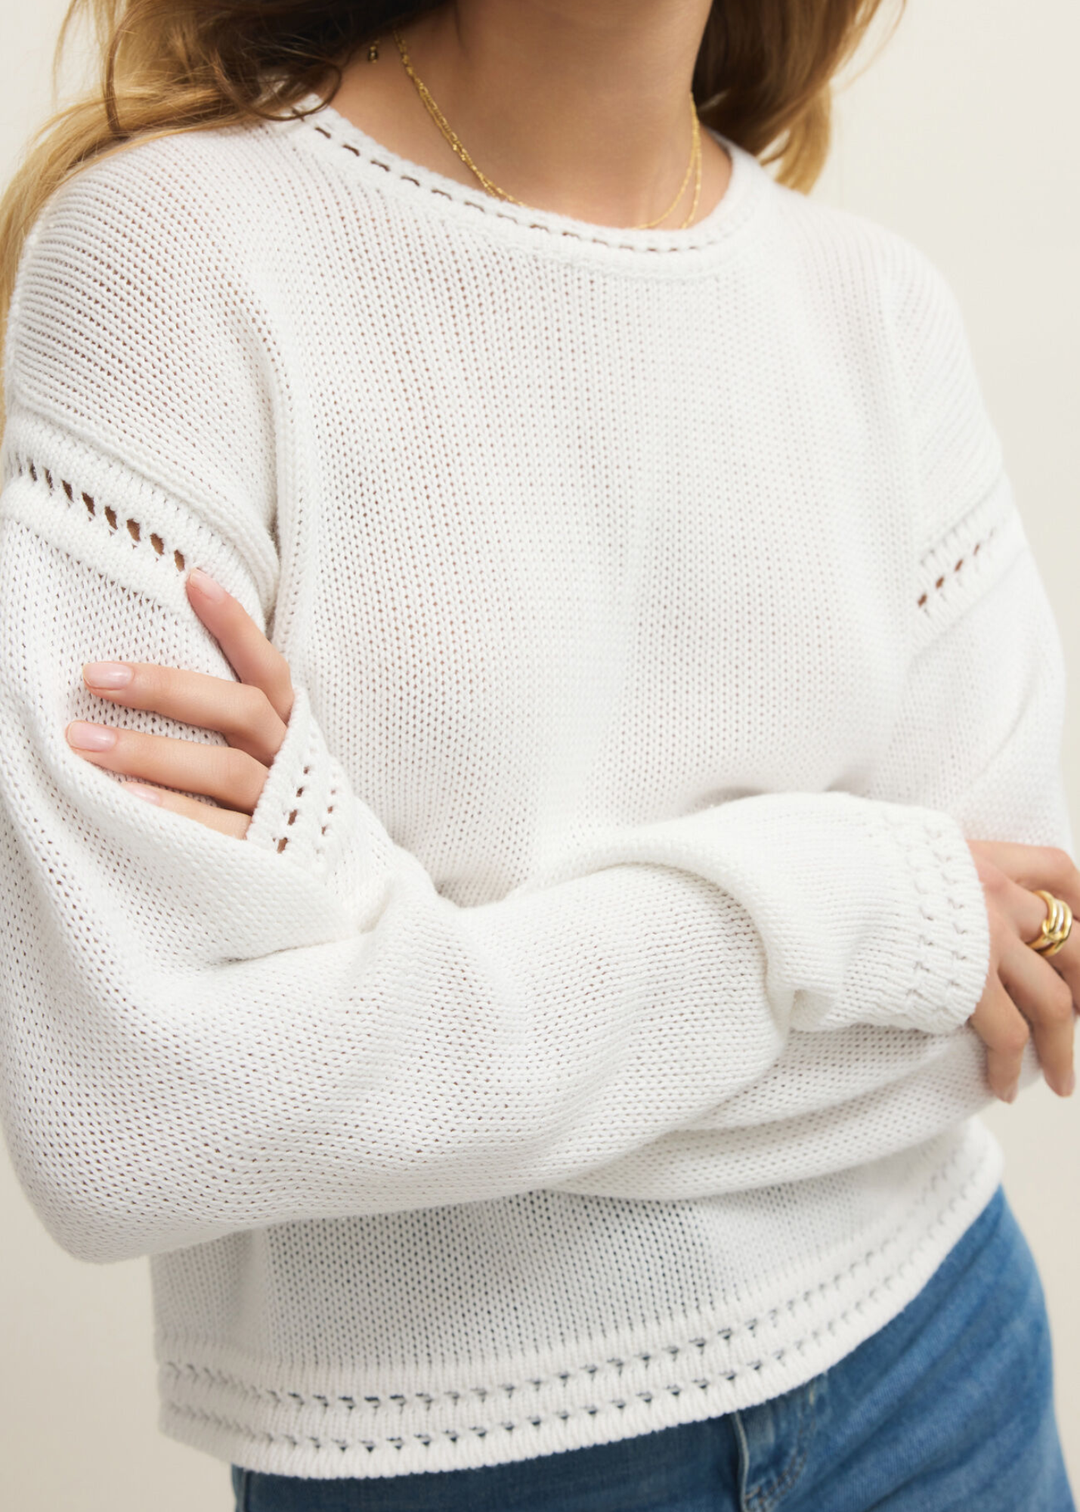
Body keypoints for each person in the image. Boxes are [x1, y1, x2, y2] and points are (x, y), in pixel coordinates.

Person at [0, 1, 1075, 1508]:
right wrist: (870, 911)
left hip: (937, 1374)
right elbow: (133, 1116)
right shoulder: (172, 258)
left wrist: (372, 921)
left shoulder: (875, 310)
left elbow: (1018, 975)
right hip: (464, 1457)